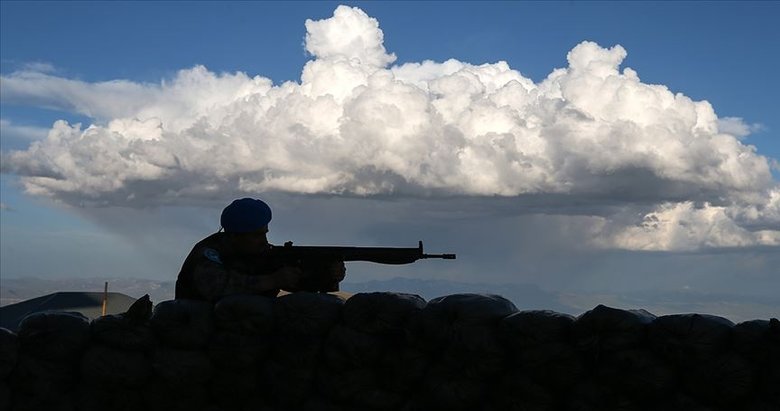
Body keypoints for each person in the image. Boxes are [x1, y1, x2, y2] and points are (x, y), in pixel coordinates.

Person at [175, 198, 346, 301]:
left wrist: (326, 274)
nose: (263, 241)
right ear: (235, 235)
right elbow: (216, 288)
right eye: (256, 235)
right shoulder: (209, 253)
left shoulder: (258, 254)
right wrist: (273, 280)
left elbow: (297, 284)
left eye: (264, 234)